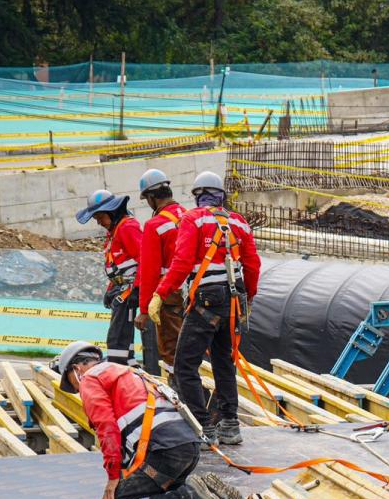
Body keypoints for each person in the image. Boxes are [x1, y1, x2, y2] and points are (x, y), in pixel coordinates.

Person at [52, 341, 243, 499]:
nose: (77, 390)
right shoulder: (129, 372)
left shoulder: (90, 379)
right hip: (187, 450)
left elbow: (106, 427)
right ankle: (204, 493)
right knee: (147, 496)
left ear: (76, 369)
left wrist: (112, 480)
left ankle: (191, 498)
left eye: (71, 383)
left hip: (164, 453)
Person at [149, 171, 260, 446]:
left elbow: (182, 263)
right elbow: (253, 266)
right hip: (232, 303)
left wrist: (160, 293)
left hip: (205, 303)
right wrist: (249, 300)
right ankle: (230, 425)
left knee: (184, 365)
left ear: (199, 195)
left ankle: (203, 426)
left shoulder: (193, 219)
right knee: (224, 363)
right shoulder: (239, 222)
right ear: (221, 195)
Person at [77, 189, 144, 367]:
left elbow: (145, 259)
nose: (99, 223)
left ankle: (118, 369)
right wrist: (110, 289)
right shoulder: (115, 230)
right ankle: (128, 366)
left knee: (117, 338)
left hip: (129, 291)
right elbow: (117, 266)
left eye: (100, 218)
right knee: (121, 338)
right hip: (121, 290)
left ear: (112, 212)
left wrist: (137, 288)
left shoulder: (127, 228)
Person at [134, 168, 188, 378]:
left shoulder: (154, 225)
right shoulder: (191, 216)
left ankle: (180, 393)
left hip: (169, 295)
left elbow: (149, 271)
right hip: (194, 290)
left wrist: (145, 309)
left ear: (152, 197)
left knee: (171, 348)